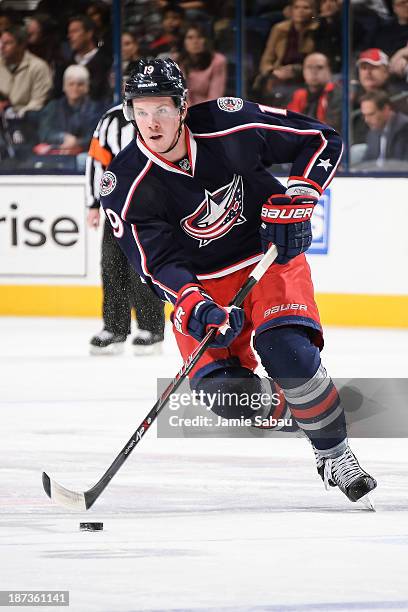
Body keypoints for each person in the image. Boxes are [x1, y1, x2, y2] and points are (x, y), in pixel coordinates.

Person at [100, 58, 377, 505]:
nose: (151, 122)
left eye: (162, 109)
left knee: (286, 350)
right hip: (203, 288)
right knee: (228, 397)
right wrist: (194, 304)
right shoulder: (126, 183)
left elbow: (321, 139)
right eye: (141, 110)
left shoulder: (229, 124)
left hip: (266, 261)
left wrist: (302, 195)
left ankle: (335, 453)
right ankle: (312, 409)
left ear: (183, 106)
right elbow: (156, 263)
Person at [86, 102, 165, 355]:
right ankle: (115, 327)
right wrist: (93, 203)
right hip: (116, 206)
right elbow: (97, 161)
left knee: (142, 267)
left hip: (152, 207)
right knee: (111, 265)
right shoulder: (111, 118)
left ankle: (151, 327)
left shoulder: (168, 113)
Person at [35, 65, 103, 155]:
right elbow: (44, 132)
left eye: (80, 84)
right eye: (71, 84)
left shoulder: (96, 109)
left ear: (87, 87)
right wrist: (63, 137)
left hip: (84, 153)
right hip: (56, 152)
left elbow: (96, 136)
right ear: (64, 86)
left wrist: (76, 142)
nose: (75, 88)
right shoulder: (53, 106)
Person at [0, 25, 52, 118]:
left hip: (26, 120)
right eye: (1, 42)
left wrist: (14, 115)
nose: (2, 47)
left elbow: (38, 101)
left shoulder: (38, 67)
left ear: (21, 46)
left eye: (8, 43)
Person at [288, 52, 342, 133]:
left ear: (329, 71)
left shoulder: (337, 94)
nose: (314, 72)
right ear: (303, 71)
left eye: (319, 67)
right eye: (309, 67)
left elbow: (332, 128)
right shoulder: (297, 95)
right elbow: (290, 124)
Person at [178, 24, 227, 105]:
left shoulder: (218, 61)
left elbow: (214, 98)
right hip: (184, 112)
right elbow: (180, 96)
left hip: (208, 111)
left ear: (206, 40)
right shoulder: (178, 61)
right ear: (183, 42)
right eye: (190, 38)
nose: (195, 41)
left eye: (200, 37)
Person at [67, 15, 112, 102]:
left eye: (75, 31)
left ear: (89, 34)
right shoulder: (66, 63)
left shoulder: (105, 63)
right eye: (69, 32)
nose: (70, 36)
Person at [359, 90, 408, 167]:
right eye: (364, 115)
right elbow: (366, 162)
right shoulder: (372, 132)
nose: (366, 120)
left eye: (371, 114)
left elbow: (399, 164)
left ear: (386, 109)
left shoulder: (404, 128)